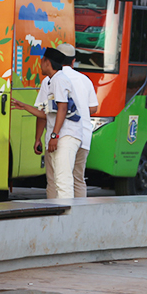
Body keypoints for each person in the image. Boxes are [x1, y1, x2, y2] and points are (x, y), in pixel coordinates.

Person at [11, 47, 82, 198]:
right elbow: (44, 114)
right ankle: (59, 217)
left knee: (63, 181)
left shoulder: (60, 80)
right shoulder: (50, 81)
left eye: (42, 61)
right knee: (56, 181)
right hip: (58, 136)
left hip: (67, 135)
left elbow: (62, 108)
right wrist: (24, 106)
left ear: (47, 62)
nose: (40, 64)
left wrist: (54, 136)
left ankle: (68, 218)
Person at [56, 43, 99, 198]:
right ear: (73, 61)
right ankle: (81, 214)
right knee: (78, 178)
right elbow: (94, 108)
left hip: (64, 135)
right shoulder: (84, 79)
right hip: (84, 135)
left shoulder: (54, 78)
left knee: (61, 179)